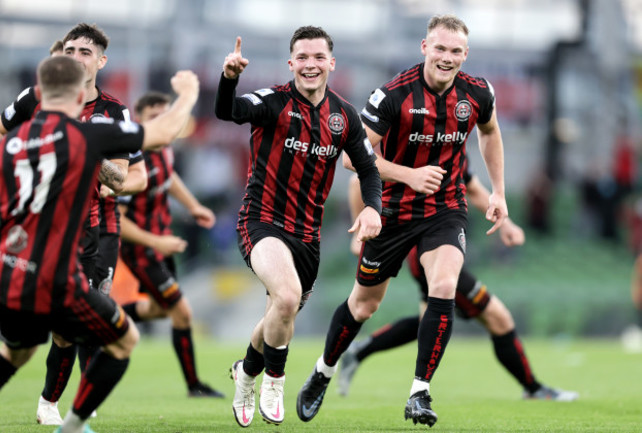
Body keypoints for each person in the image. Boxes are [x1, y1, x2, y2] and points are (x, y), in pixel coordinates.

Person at [296, 14, 507, 427]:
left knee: (444, 283)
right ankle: (322, 371)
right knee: (364, 305)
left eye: (456, 51)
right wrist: (409, 175)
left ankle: (419, 392)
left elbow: (490, 132)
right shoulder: (392, 95)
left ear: (466, 54)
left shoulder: (479, 92)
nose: (447, 57)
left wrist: (498, 191)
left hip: (445, 209)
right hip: (391, 210)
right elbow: (351, 158)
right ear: (424, 47)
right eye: (440, 48)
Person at [0, 55, 200, 433]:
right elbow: (163, 134)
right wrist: (187, 95)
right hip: (56, 276)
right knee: (124, 341)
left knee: (16, 352)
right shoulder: (86, 135)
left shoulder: (9, 145)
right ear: (77, 98)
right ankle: (72, 427)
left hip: (7, 272)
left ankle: (55, 408)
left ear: (39, 94)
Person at [215, 26, 382, 427]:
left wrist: (372, 209)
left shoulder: (345, 117)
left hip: (308, 235)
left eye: (318, 57)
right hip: (262, 221)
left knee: (278, 313)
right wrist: (229, 78)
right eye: (302, 58)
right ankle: (274, 379)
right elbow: (228, 111)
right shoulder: (273, 102)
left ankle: (246, 374)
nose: (311, 64)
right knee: (287, 298)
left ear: (331, 63)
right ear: (291, 63)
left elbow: (368, 170)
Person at [0, 25, 147, 425]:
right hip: (41, 232)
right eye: (70, 50)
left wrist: (85, 155)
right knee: (67, 327)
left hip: (97, 228)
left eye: (84, 51)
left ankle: (72, 401)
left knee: (86, 325)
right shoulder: (35, 99)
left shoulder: (114, 112)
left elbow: (128, 179)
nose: (76, 57)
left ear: (100, 61)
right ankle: (54, 403)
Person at [338, 174, 579, 401]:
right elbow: (355, 180)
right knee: (498, 318)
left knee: (428, 321)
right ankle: (533, 389)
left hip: (437, 249)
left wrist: (505, 224)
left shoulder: (453, 141)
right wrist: (358, 228)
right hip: (432, 253)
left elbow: (473, 188)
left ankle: (359, 351)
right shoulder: (422, 143)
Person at [117, 91, 224, 398]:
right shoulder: (131, 159)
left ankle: (103, 317)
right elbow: (118, 221)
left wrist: (193, 206)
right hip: (141, 248)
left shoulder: (164, 149)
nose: (162, 124)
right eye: (154, 118)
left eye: (166, 118)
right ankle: (194, 386)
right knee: (182, 312)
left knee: (161, 309)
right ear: (139, 120)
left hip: (161, 244)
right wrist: (155, 241)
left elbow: (170, 178)